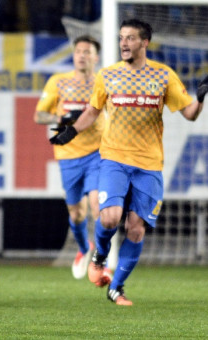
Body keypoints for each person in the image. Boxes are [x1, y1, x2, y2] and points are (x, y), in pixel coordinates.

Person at [50, 19, 208, 305]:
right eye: (121, 37)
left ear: (145, 42)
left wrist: (200, 98)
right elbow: (92, 111)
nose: (124, 43)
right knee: (109, 216)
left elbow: (189, 114)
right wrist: (71, 132)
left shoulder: (164, 76)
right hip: (113, 159)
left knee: (135, 228)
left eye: (131, 38)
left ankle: (116, 288)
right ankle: (99, 254)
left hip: (149, 164)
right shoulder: (108, 75)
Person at [34, 35, 106, 280]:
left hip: (98, 153)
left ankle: (99, 261)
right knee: (77, 214)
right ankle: (83, 250)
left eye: (87, 51)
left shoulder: (103, 82)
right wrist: (63, 118)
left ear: (96, 57)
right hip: (67, 155)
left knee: (98, 207)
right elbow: (39, 116)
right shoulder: (59, 82)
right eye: (78, 51)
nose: (82, 55)